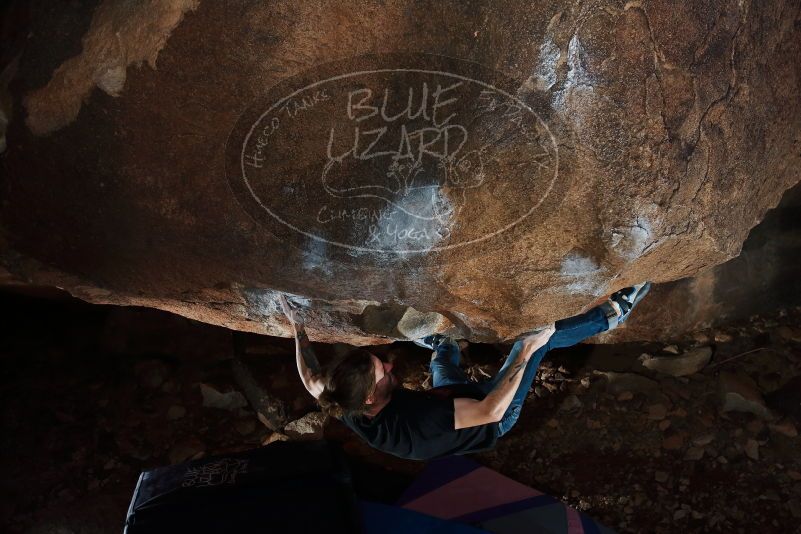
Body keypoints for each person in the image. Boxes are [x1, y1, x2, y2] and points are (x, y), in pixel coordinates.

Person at [278, 283, 651, 461]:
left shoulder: (343, 399)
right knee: (535, 342)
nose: (391, 364)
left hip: (449, 399)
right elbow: (491, 409)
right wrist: (527, 350)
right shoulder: (423, 422)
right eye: (384, 372)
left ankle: (445, 343)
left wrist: (295, 325)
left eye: (380, 360)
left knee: (442, 354)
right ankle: (613, 314)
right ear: (372, 397)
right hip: (487, 415)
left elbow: (311, 378)